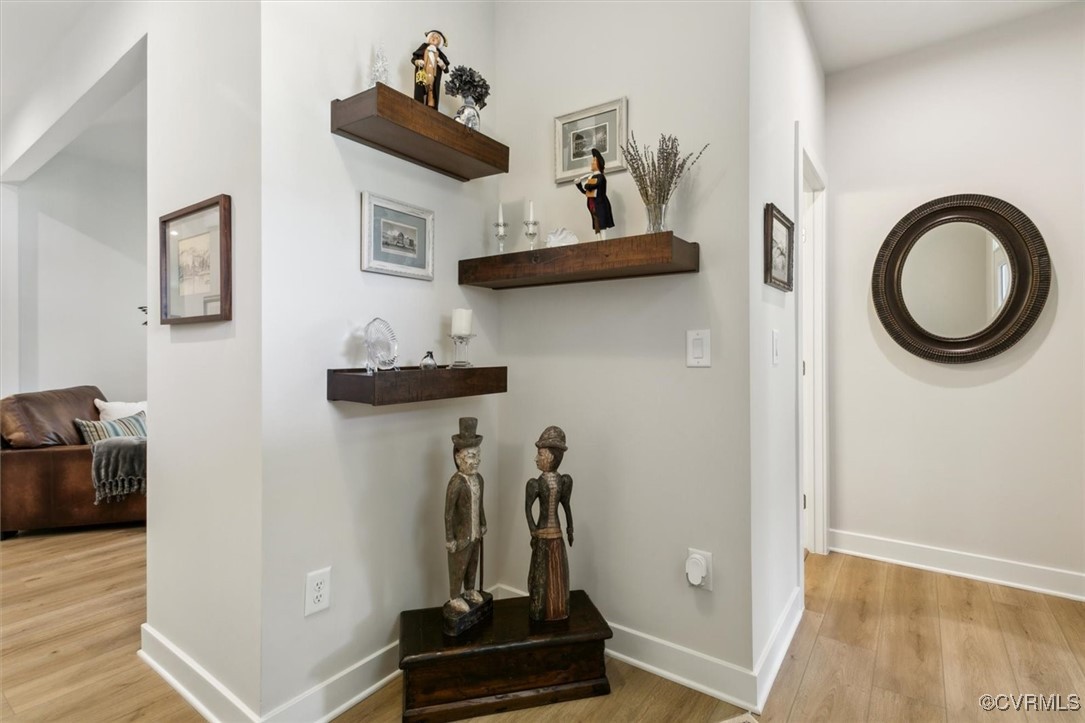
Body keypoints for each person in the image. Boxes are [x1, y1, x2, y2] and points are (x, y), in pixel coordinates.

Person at [525, 426, 574, 621]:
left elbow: (566, 506)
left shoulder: (564, 481)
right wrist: (533, 531)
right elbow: (528, 509)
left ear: (552, 457)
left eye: (540, 454)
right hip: (542, 534)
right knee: (540, 574)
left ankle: (557, 609)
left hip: (556, 534)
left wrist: (570, 529)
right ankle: (540, 610)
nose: (536, 459)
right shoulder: (534, 484)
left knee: (557, 573)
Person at [445, 417, 486, 615]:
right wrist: (449, 538)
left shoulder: (479, 479)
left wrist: (483, 523)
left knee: (473, 562)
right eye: (471, 456)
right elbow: (448, 513)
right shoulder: (456, 483)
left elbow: (480, 504)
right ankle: (455, 595)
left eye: (478, 455)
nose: (476, 460)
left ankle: (469, 589)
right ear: (459, 458)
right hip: (462, 535)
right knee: (458, 565)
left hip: (476, 532)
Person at [574, 148, 615, 240]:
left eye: (594, 161)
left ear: (599, 163)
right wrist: (579, 184)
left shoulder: (600, 177)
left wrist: (587, 185)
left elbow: (594, 185)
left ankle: (603, 241)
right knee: (596, 224)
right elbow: (586, 192)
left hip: (600, 204)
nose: (592, 163)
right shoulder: (591, 177)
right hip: (593, 205)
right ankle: (598, 241)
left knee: (602, 224)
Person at [411, 30, 449, 110]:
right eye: (432, 36)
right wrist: (418, 62)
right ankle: (419, 105)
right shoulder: (423, 49)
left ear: (440, 42)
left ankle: (431, 107)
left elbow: (446, 70)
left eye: (437, 38)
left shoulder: (440, 55)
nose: (434, 38)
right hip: (423, 76)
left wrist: (442, 64)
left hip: (433, 79)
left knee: (431, 95)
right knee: (420, 92)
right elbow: (413, 59)